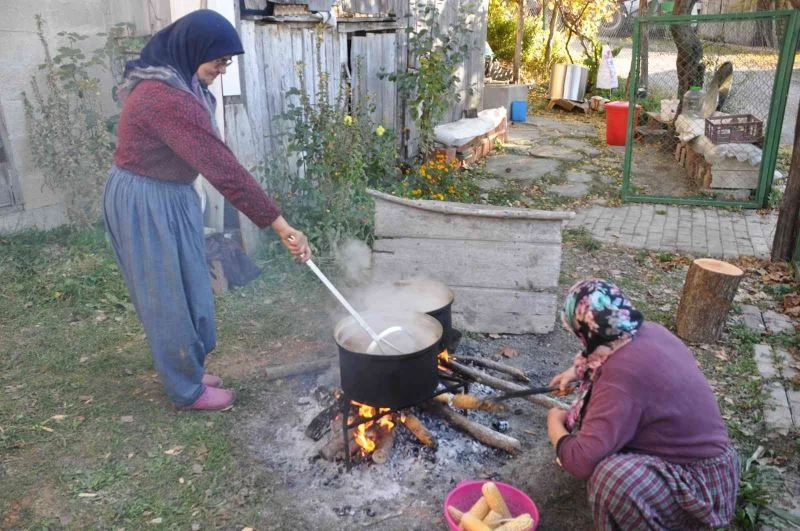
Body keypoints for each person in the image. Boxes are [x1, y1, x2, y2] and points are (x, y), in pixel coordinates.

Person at [103, 10, 311, 412]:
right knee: (167, 295)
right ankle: (185, 389)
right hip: (145, 200)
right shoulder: (163, 96)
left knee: (192, 283)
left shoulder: (185, 82)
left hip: (174, 194)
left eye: (227, 61)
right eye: (217, 59)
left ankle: (190, 366)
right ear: (191, 49)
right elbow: (224, 170)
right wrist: (282, 226)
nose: (222, 68)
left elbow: (214, 160)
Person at [546, 279, 739, 530]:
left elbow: (581, 460)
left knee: (612, 478)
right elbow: (604, 361)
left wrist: (555, 425)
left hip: (699, 488)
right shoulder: (649, 331)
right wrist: (575, 371)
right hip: (716, 468)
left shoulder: (621, 377)